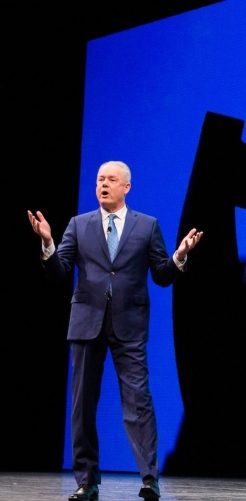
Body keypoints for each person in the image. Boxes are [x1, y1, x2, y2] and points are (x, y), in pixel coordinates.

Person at [28, 160, 203, 501]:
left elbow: (162, 275)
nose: (103, 185)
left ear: (126, 187)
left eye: (110, 180)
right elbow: (59, 272)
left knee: (138, 402)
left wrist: (179, 257)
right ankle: (87, 481)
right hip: (86, 323)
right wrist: (47, 244)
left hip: (129, 325)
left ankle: (149, 479)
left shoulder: (147, 226)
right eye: (99, 180)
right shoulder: (78, 225)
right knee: (82, 406)